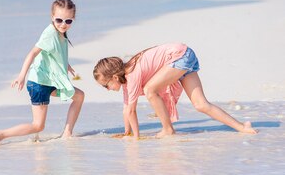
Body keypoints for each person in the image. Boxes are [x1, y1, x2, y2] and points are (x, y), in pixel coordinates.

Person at [92, 43, 258, 139]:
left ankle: (168, 129)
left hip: (180, 56)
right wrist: (127, 132)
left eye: (105, 85)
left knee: (150, 89)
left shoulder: (132, 75)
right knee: (201, 104)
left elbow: (131, 110)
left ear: (114, 77)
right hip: (185, 54)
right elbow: (126, 107)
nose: (107, 89)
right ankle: (242, 127)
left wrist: (136, 139)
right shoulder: (126, 79)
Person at [0, 0, 85, 147]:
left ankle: (67, 133)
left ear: (73, 19)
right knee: (38, 125)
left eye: (68, 21)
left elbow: (54, 53)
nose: (63, 24)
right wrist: (22, 76)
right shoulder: (50, 34)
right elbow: (32, 53)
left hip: (50, 81)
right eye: (59, 20)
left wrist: (66, 65)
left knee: (79, 96)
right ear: (52, 17)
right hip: (39, 83)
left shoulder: (60, 32)